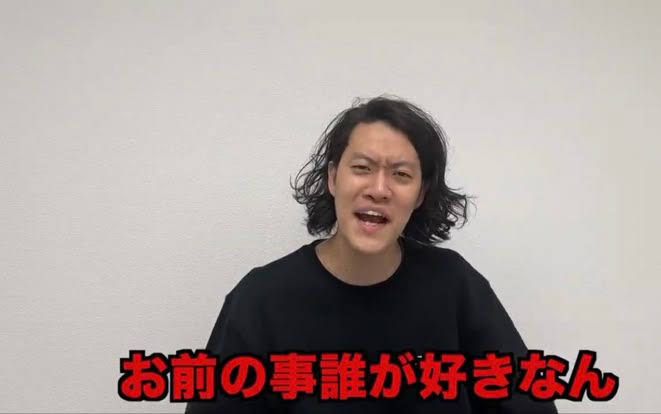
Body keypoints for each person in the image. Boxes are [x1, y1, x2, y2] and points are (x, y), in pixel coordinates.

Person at [185, 96, 557, 413]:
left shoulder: (454, 286)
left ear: (420, 194)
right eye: (362, 168)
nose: (379, 189)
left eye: (401, 175)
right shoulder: (261, 299)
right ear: (333, 178)